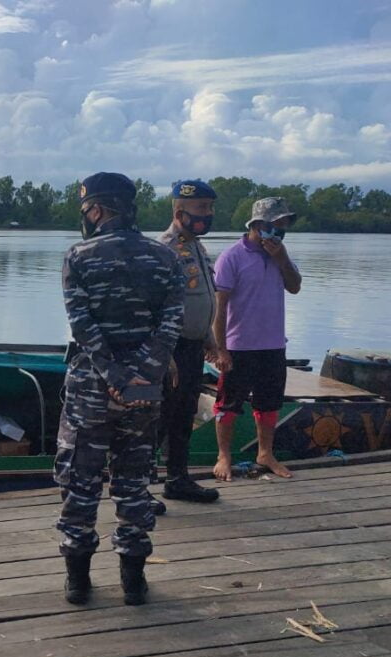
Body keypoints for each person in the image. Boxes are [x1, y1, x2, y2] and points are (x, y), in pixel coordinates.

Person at [56, 172, 185, 606]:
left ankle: (78, 581)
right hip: (145, 391)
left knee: (80, 480)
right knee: (133, 481)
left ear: (96, 209)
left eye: (86, 210)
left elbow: (82, 326)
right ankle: (133, 581)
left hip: (93, 388)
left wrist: (113, 376)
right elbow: (171, 325)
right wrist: (143, 374)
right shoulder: (165, 257)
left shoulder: (78, 256)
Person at [211, 197, 301, 481]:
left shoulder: (281, 254)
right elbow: (219, 307)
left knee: (269, 403)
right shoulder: (232, 257)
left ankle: (265, 453)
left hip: (273, 344)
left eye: (284, 225)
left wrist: (281, 258)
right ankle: (223, 455)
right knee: (228, 403)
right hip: (239, 346)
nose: (281, 230)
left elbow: (295, 287)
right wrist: (220, 350)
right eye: (277, 224)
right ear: (260, 225)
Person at [155, 179, 221, 504]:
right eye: (201, 209)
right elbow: (155, 304)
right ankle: (137, 486)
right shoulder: (165, 249)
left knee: (184, 415)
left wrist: (208, 335)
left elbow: (199, 297)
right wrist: (162, 351)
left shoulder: (198, 247)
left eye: (210, 208)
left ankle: (178, 479)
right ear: (180, 210)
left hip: (194, 345)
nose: (207, 214)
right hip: (172, 348)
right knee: (160, 418)